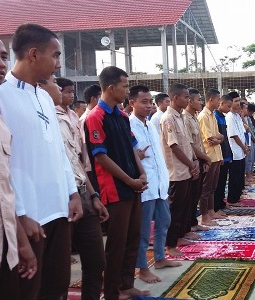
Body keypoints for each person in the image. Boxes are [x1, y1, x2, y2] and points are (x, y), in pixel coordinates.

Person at [0, 23, 83, 299]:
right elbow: (1, 168)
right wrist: (20, 216)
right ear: (33, 54)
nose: (58, 64)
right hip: (29, 215)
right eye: (55, 55)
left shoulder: (45, 97)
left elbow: (58, 150)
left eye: (3, 56)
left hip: (59, 208)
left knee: (56, 286)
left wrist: (72, 192)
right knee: (27, 291)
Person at [85, 66, 149, 299]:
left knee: (133, 237)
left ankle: (126, 284)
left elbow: (133, 149)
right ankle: (112, 291)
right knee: (116, 244)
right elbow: (100, 156)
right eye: (125, 86)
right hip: (114, 188)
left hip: (133, 185)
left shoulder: (121, 117)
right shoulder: (95, 117)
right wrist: (129, 180)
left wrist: (141, 175)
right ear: (111, 88)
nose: (127, 90)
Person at [43, 76, 108, 300]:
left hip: (81, 190)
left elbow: (77, 162)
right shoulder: (46, 116)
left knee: (96, 260)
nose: (70, 95)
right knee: (58, 270)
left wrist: (93, 195)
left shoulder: (72, 117)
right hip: (60, 197)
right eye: (64, 90)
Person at [0, 31, 37, 300]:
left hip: (2, 243)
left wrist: (19, 243)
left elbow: (2, 188)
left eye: (2, 56)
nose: (0, 63)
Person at [128, 85, 180, 285]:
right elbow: (130, 156)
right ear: (132, 103)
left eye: (150, 102)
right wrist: (137, 157)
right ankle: (142, 268)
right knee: (142, 230)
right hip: (145, 186)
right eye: (144, 102)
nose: (149, 105)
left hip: (159, 183)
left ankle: (160, 257)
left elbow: (157, 154)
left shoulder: (150, 125)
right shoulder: (129, 125)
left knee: (164, 221)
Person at [160, 83, 200, 256]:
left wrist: (194, 161)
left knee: (185, 205)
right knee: (175, 209)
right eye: (185, 97)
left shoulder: (180, 117)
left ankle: (180, 235)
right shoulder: (168, 118)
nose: (188, 100)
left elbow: (187, 145)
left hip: (187, 168)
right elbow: (174, 146)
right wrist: (191, 164)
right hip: (176, 171)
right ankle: (170, 244)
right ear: (175, 98)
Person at [184, 88, 213, 231]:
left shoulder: (194, 117)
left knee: (196, 193)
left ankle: (193, 223)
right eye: (198, 99)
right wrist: (206, 158)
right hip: (192, 161)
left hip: (200, 160)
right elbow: (190, 145)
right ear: (190, 101)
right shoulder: (185, 118)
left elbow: (199, 142)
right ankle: (189, 226)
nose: (200, 102)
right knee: (191, 196)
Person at [197, 88, 226, 225]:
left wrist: (219, 139)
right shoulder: (203, 116)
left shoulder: (212, 115)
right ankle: (204, 216)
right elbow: (210, 139)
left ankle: (211, 211)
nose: (220, 102)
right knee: (206, 188)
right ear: (211, 100)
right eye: (218, 99)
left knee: (213, 186)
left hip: (216, 155)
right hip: (209, 156)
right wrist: (219, 139)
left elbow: (219, 137)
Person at [225, 91, 249, 204]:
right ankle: (232, 199)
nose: (238, 103)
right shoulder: (229, 116)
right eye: (236, 101)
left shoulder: (238, 116)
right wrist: (243, 147)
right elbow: (233, 135)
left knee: (240, 175)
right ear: (230, 102)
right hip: (235, 151)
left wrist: (245, 146)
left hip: (241, 150)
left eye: (239, 101)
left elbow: (242, 133)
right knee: (234, 176)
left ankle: (238, 196)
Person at [213, 94, 233, 211]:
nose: (229, 109)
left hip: (225, 153)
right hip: (218, 154)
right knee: (217, 183)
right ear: (221, 103)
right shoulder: (214, 116)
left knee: (223, 181)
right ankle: (216, 206)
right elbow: (215, 138)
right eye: (228, 106)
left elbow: (224, 137)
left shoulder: (223, 117)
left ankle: (221, 202)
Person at [244, 103, 255, 182]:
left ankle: (250, 171)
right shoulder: (240, 118)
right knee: (248, 158)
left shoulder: (249, 118)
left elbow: (252, 128)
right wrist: (253, 138)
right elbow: (247, 130)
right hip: (248, 140)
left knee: (252, 157)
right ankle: (248, 173)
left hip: (252, 139)